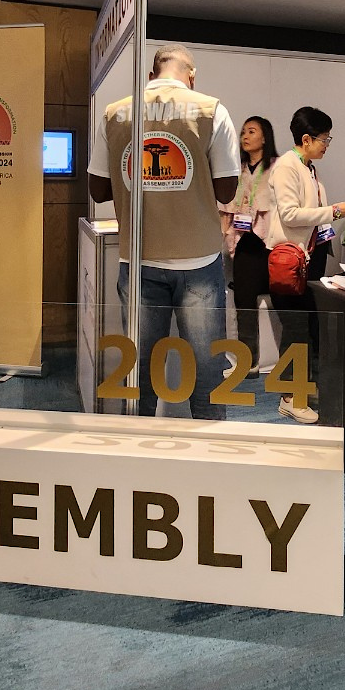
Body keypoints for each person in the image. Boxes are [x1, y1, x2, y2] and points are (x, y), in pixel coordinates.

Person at [87, 44, 239, 420]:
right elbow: (227, 191)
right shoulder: (212, 110)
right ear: (192, 76)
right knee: (206, 369)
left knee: (140, 367)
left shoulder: (115, 112)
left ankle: (138, 444)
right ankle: (209, 443)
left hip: (138, 257)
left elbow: (98, 190)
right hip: (199, 261)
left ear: (151, 75)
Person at [265, 107, 345, 423]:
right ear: (306, 139)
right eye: (324, 139)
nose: (327, 145)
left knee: (307, 327)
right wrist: (334, 211)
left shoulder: (307, 167)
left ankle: (300, 388)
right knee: (296, 329)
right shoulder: (287, 167)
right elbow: (290, 214)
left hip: (306, 258)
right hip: (288, 260)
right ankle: (290, 396)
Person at [218, 116, 278, 374]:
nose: (245, 136)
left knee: (284, 299)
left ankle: (291, 363)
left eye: (252, 131)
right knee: (244, 301)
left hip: (273, 244)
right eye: (243, 132)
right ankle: (248, 359)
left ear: (265, 137)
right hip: (244, 243)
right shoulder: (236, 169)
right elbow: (226, 206)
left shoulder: (277, 167)